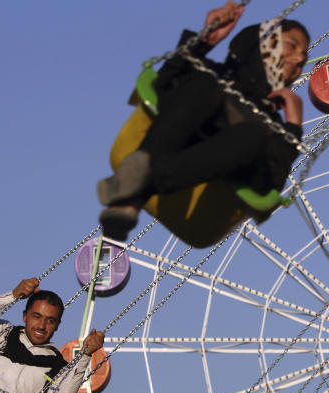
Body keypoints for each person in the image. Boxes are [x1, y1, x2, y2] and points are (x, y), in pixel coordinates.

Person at [97, 1, 310, 240]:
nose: (298, 59)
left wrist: (293, 127)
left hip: (218, 184)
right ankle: (133, 195)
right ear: (261, 43)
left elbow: (269, 185)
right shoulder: (210, 75)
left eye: (303, 59)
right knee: (204, 84)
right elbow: (163, 86)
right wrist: (205, 41)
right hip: (178, 134)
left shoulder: (272, 125)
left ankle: (134, 190)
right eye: (291, 45)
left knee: (254, 134)